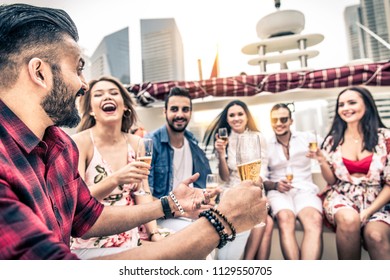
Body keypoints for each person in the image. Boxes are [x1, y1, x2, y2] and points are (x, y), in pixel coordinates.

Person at [0, 3, 268, 260]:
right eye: (78, 69)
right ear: (40, 72)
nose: (84, 85)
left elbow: (87, 217)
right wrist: (222, 221)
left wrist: (170, 204)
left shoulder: (59, 145)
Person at [69, 76, 164, 259]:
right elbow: (76, 203)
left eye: (113, 93)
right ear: (90, 109)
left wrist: (154, 234)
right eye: (98, 94)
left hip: (132, 234)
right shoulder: (79, 143)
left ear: (125, 106)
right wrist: (115, 179)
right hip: (92, 240)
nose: (107, 97)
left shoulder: (137, 143)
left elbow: (142, 194)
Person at [310, 86, 390, 259]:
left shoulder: (386, 138)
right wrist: (322, 161)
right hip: (342, 196)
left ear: (367, 105)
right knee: (349, 219)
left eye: (352, 103)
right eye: (341, 104)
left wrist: (367, 213)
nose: (345, 108)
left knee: (376, 236)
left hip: (378, 202)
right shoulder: (332, 140)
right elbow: (331, 181)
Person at [203, 100, 273, 260]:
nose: (236, 118)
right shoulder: (225, 140)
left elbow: (262, 169)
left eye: (240, 114)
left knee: (266, 222)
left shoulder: (258, 137)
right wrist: (220, 154)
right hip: (231, 190)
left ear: (247, 117)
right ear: (227, 120)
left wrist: (253, 190)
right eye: (232, 115)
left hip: (255, 186)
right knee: (265, 221)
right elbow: (224, 177)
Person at [146, 87, 212, 231]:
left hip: (192, 211)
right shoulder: (151, 143)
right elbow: (146, 196)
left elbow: (206, 179)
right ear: (165, 112)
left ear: (190, 113)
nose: (180, 114)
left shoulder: (192, 141)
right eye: (174, 109)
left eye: (185, 109)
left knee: (234, 228)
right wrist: (182, 211)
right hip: (165, 216)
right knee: (198, 234)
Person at [262, 103, 323, 260]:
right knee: (285, 218)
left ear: (291, 121)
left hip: (305, 189)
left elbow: (332, 146)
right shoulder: (265, 145)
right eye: (274, 120)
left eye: (283, 119)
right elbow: (262, 178)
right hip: (278, 191)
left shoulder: (307, 138)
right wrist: (275, 185)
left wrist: (321, 156)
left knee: (314, 220)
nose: (279, 123)